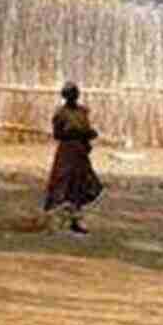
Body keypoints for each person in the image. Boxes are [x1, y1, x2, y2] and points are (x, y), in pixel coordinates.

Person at [43, 81, 103, 235]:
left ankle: (75, 221)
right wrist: (75, 133)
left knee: (81, 185)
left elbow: (87, 129)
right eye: (70, 94)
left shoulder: (83, 112)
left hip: (80, 152)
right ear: (65, 96)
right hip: (67, 152)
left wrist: (89, 134)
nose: (73, 96)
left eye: (74, 93)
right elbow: (57, 134)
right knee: (62, 183)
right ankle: (53, 221)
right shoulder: (60, 114)